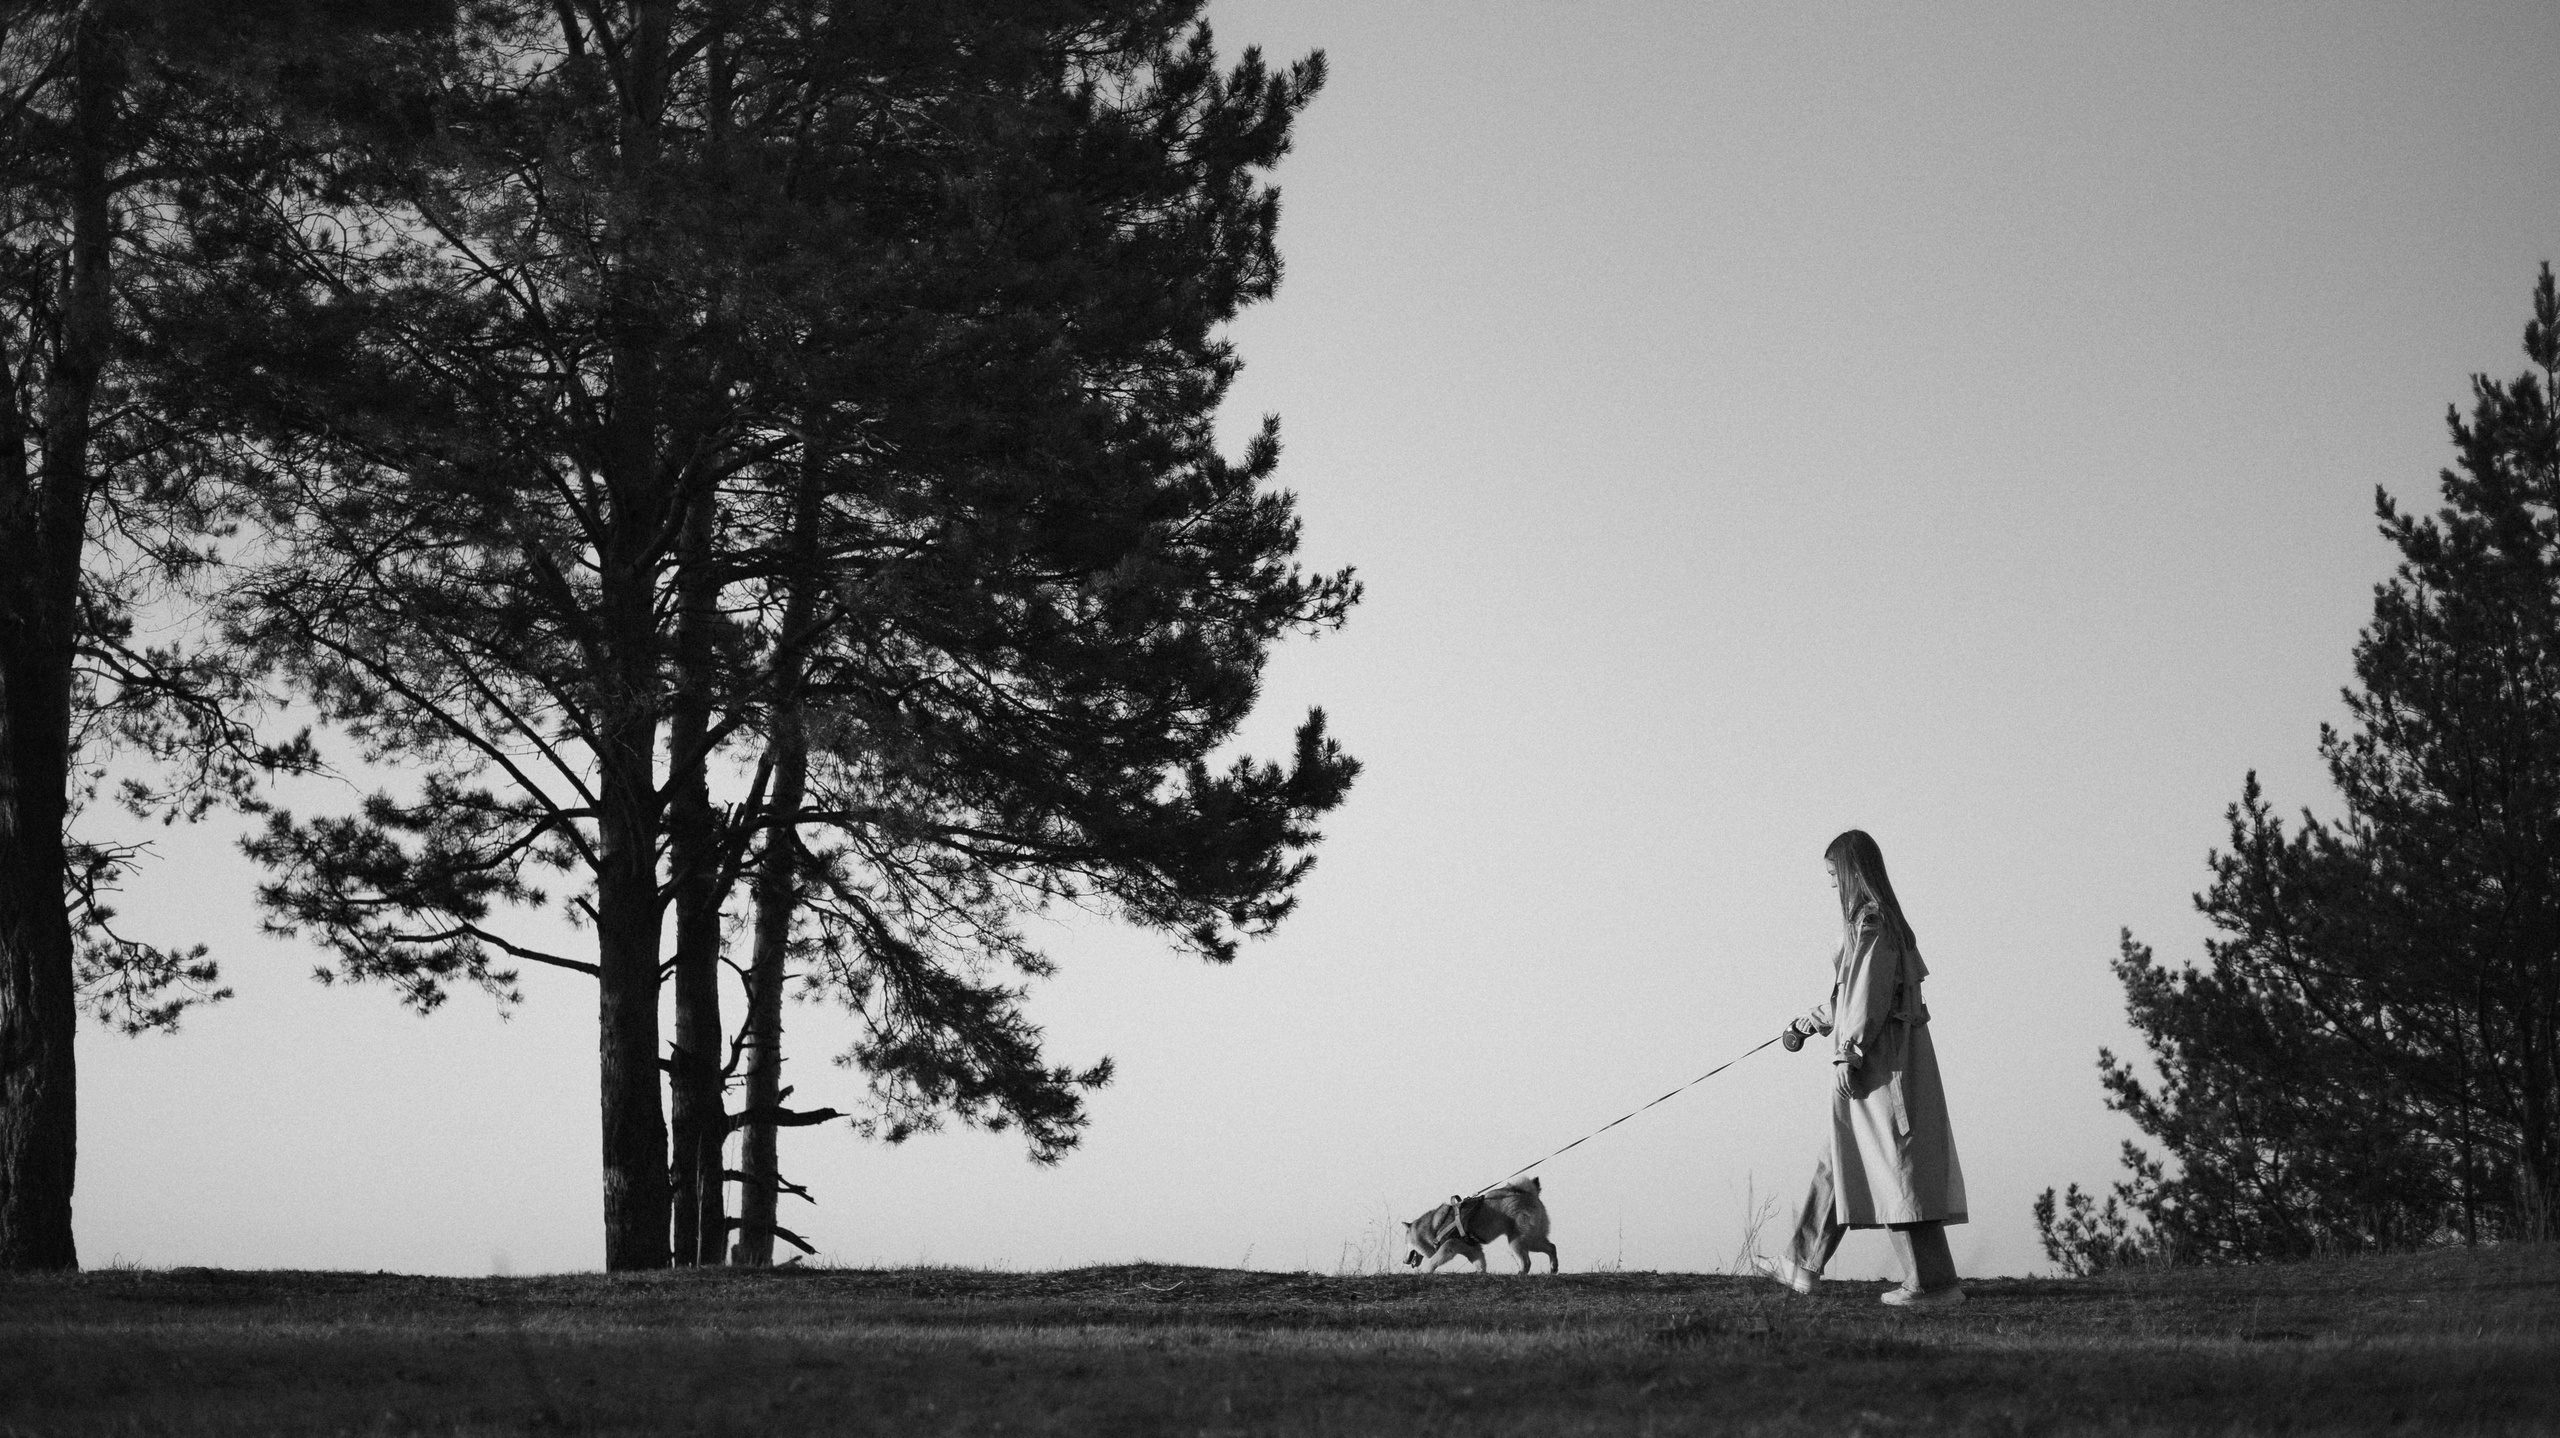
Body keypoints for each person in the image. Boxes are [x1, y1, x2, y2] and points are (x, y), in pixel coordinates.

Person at [1756, 829, 1969, 1306]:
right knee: (1844, 1158)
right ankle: (1801, 1263)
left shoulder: (1872, 926)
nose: (1832, 886)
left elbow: (1866, 998)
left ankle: (1931, 1285)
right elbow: (1848, 995)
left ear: (1852, 873)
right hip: (1883, 1053)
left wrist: (1848, 1052)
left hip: (1881, 1062)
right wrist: (1806, 1025)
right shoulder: (1877, 926)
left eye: (1834, 876)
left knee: (1894, 1165)